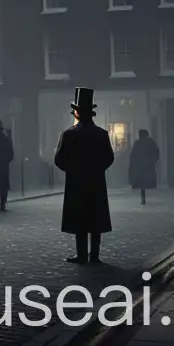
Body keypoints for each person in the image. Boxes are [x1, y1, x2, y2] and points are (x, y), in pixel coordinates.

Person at [54, 87, 114, 264]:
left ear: (77, 113)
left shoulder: (69, 135)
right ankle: (94, 256)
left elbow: (59, 159)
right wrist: (97, 169)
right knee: (95, 219)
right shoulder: (101, 134)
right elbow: (109, 158)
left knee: (79, 219)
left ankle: (81, 255)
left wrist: (73, 170)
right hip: (96, 181)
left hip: (76, 181)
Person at [130, 129, 161, 205]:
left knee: (142, 182)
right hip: (145, 165)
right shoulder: (150, 142)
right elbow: (156, 152)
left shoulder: (139, 143)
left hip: (142, 165)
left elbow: (133, 155)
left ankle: (143, 198)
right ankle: (143, 197)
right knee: (143, 182)